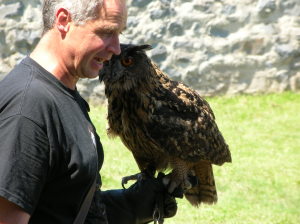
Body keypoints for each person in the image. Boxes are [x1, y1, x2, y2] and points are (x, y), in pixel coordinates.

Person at [0, 0, 177, 223]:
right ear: (64, 21)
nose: (116, 48)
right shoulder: (27, 109)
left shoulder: (63, 93)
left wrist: (131, 205)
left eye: (118, 33)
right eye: (106, 32)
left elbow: (64, 206)